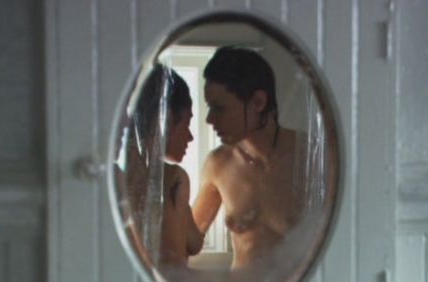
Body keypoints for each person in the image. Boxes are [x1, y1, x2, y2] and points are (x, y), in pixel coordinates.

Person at [192, 46, 308, 270]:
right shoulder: (218, 164)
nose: (209, 119)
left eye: (219, 108)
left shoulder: (309, 156)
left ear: (258, 102)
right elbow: (188, 241)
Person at [126, 65, 203, 266]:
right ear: (166, 119)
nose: (190, 136)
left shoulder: (116, 177)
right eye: (187, 123)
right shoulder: (175, 178)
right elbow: (193, 244)